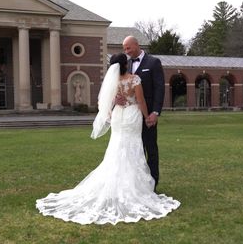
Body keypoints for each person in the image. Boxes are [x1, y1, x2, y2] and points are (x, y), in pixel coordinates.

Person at [36, 53, 180, 225]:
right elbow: (140, 101)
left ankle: (114, 186)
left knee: (117, 148)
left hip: (119, 117)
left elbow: (108, 101)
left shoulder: (113, 82)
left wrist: (114, 109)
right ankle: (133, 188)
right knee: (132, 148)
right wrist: (147, 116)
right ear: (125, 65)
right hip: (132, 115)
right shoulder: (134, 80)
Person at [121, 36, 165, 192]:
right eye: (124, 49)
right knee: (134, 149)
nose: (126, 51)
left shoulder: (153, 62)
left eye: (128, 48)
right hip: (131, 117)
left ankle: (153, 184)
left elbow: (159, 89)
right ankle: (136, 185)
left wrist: (155, 112)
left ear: (136, 45)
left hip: (149, 116)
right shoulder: (126, 65)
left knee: (150, 148)